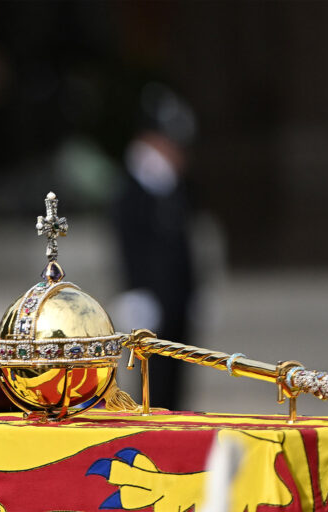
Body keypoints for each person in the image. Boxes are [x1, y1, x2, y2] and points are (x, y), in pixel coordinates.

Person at [112, 83, 197, 411]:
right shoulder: (132, 188)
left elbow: (182, 242)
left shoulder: (171, 185)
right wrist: (135, 290)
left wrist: (194, 290)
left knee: (178, 380)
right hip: (148, 298)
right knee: (153, 380)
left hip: (176, 297)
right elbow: (129, 241)